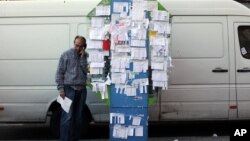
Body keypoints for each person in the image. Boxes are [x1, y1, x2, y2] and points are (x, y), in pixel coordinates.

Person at [55, 35, 89, 141]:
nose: (77, 48)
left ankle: (74, 138)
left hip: (82, 90)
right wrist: (61, 89)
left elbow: (87, 72)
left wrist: (83, 58)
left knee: (78, 118)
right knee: (67, 118)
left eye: (80, 46)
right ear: (74, 43)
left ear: (84, 46)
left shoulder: (86, 56)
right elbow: (59, 73)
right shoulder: (66, 55)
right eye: (76, 45)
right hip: (68, 89)